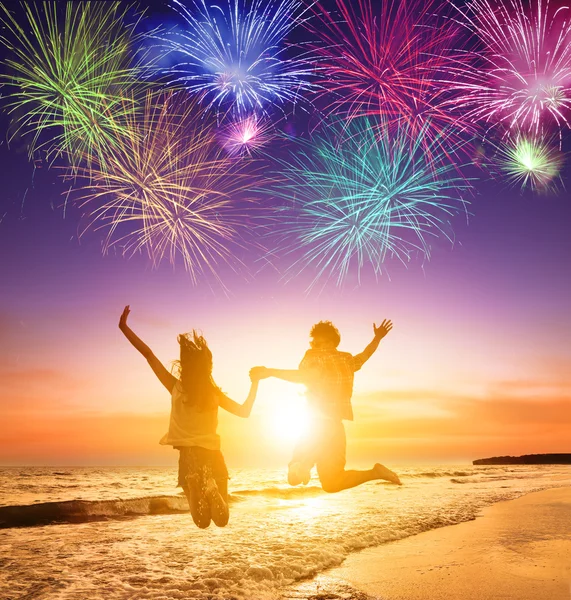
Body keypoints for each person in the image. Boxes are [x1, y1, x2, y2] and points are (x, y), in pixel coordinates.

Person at [119, 305, 261, 529]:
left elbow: (148, 355)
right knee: (222, 520)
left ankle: (195, 486)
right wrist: (255, 384)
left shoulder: (175, 387)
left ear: (184, 365)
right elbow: (244, 412)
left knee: (202, 521)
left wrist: (124, 328)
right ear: (208, 367)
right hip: (213, 455)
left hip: (189, 458)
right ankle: (211, 489)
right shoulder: (214, 394)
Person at [255, 319, 401, 493]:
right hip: (336, 428)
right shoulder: (347, 360)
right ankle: (375, 473)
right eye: (314, 342)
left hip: (317, 424)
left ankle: (304, 465)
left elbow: (304, 376)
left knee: (294, 478)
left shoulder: (314, 356)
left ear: (331, 342)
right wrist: (377, 338)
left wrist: (270, 372)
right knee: (332, 483)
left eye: (319, 342)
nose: (315, 345)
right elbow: (365, 355)